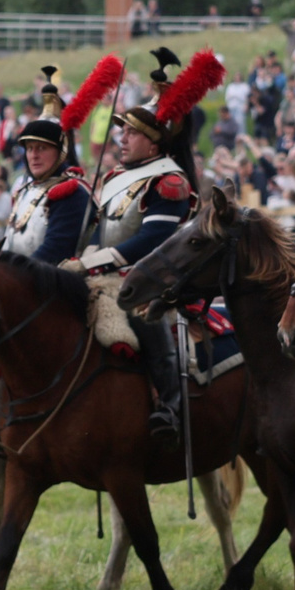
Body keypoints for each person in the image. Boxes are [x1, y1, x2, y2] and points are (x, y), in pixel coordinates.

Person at [70, 45, 222, 442]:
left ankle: (169, 404)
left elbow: (153, 240)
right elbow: (99, 229)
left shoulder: (169, 180)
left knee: (143, 312)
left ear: (154, 142)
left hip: (158, 279)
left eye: (132, 132)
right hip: (107, 272)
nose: (122, 137)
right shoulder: (118, 175)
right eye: (123, 129)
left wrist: (97, 262)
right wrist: (82, 258)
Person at [0, 64, 98, 264]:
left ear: (60, 152)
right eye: (30, 148)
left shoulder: (71, 191)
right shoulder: (25, 189)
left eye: (42, 148)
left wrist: (8, 276)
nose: (33, 155)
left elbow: (55, 252)